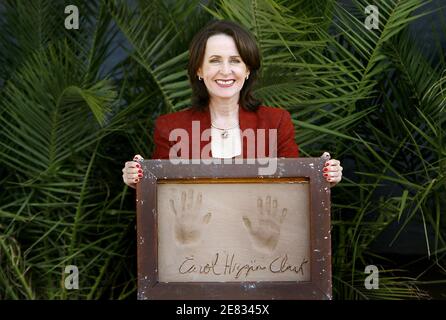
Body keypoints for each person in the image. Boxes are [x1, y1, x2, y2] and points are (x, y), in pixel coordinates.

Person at [122, 20, 343, 188]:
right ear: (199, 69)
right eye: (215, 60)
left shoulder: (275, 122)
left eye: (235, 61)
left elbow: (295, 186)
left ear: (247, 70)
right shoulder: (170, 127)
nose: (226, 71)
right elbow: (163, 195)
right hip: (195, 243)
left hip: (262, 243)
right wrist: (140, 180)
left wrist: (323, 177)